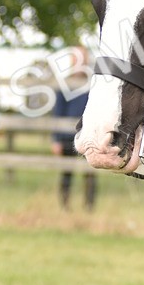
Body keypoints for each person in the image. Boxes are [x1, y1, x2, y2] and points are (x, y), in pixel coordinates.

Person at [51, 46, 97, 209]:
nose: (79, 62)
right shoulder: (65, 83)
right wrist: (56, 139)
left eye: (82, 58)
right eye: (76, 58)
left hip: (90, 136)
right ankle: (65, 205)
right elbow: (58, 112)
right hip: (66, 136)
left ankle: (89, 206)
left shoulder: (93, 82)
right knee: (66, 173)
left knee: (90, 173)